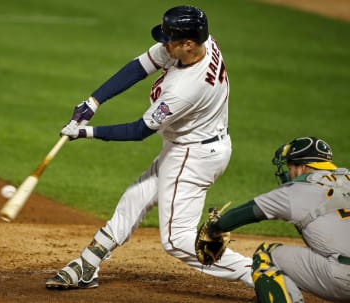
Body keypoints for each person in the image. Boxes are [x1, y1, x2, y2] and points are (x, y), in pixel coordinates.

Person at [45, 5, 253, 289]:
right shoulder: (200, 42)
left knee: (176, 240)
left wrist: (85, 132)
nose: (163, 44)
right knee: (135, 198)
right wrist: (93, 101)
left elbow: (138, 131)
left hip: (193, 155)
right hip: (191, 145)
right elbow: (139, 66)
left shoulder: (184, 90)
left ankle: (258, 273)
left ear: (188, 44)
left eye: (169, 40)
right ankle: (87, 264)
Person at [205, 136, 350, 302]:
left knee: (266, 255)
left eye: (289, 167)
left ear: (302, 167)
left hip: (343, 280)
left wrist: (214, 228)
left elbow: (246, 213)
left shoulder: (296, 190)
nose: (288, 173)